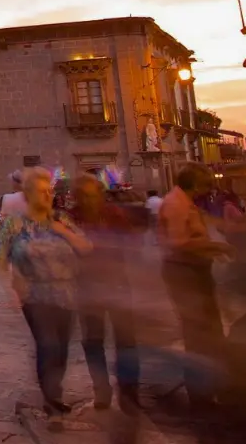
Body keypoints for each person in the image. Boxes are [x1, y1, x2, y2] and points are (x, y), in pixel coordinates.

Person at [0, 166, 90, 430]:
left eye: (50, 191)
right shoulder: (15, 223)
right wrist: (11, 289)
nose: (48, 196)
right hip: (35, 294)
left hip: (67, 293)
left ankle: (54, 393)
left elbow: (85, 247)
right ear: (27, 194)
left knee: (61, 349)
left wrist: (64, 232)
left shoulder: (62, 219)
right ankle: (53, 405)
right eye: (42, 191)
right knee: (47, 346)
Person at [157, 163, 230, 409]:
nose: (209, 189)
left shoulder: (185, 202)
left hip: (195, 270)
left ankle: (210, 386)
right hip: (184, 272)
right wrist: (216, 247)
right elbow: (177, 243)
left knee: (209, 331)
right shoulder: (176, 204)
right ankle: (200, 393)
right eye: (207, 184)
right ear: (196, 184)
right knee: (198, 333)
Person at [70, 173, 141, 413]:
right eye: (84, 196)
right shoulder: (71, 219)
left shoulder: (114, 215)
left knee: (127, 342)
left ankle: (129, 392)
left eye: (93, 195)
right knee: (92, 341)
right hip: (87, 288)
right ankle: (101, 389)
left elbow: (132, 243)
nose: (89, 201)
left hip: (117, 284)